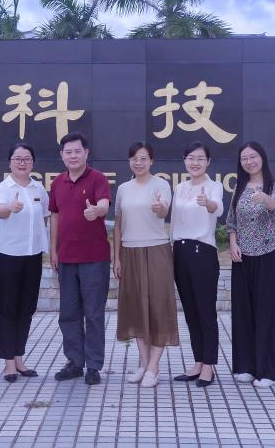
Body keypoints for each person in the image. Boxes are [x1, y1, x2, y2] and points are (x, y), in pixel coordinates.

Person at [112, 141, 178, 388]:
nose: (138, 163)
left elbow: (163, 211)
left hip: (157, 249)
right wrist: (116, 257)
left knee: (159, 306)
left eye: (143, 158)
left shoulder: (161, 185)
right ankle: (144, 363)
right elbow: (118, 224)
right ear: (129, 161)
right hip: (129, 251)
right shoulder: (123, 189)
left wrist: (160, 208)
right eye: (134, 159)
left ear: (151, 161)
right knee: (135, 307)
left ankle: (154, 366)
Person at [49, 131, 112, 386]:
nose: (73, 156)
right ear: (62, 155)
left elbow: (104, 204)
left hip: (95, 258)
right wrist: (53, 250)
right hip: (66, 257)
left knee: (93, 313)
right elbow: (54, 216)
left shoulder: (98, 178)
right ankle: (75, 362)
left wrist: (97, 210)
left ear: (86, 153)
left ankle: (93, 365)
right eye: (68, 152)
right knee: (68, 313)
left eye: (77, 151)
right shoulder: (57, 182)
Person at [225, 141, 275, 387]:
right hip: (242, 257)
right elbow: (231, 221)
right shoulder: (239, 187)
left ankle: (267, 371)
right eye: (244, 158)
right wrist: (232, 243)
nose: (249, 161)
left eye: (253, 156)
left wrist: (266, 199)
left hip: (266, 256)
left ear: (262, 157)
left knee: (266, 313)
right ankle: (245, 367)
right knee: (243, 313)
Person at [0, 142, 49, 382]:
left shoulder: (39, 188)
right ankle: (8, 364)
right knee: (8, 309)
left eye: (27, 159)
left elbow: (45, 217)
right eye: (17, 159)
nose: (22, 163)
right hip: (7, 256)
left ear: (32, 162)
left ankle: (19, 358)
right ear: (10, 162)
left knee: (26, 308)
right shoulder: (2, 188)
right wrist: (10, 208)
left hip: (32, 255)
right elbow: (0, 210)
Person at [171, 141, 224, 389]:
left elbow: (217, 208)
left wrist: (208, 203)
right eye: (191, 158)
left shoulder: (214, 187)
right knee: (190, 310)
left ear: (208, 162)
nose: (195, 162)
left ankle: (209, 365)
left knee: (205, 311)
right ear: (185, 161)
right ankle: (197, 361)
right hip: (180, 251)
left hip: (202, 251)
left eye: (200, 158)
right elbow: (174, 221)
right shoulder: (180, 187)